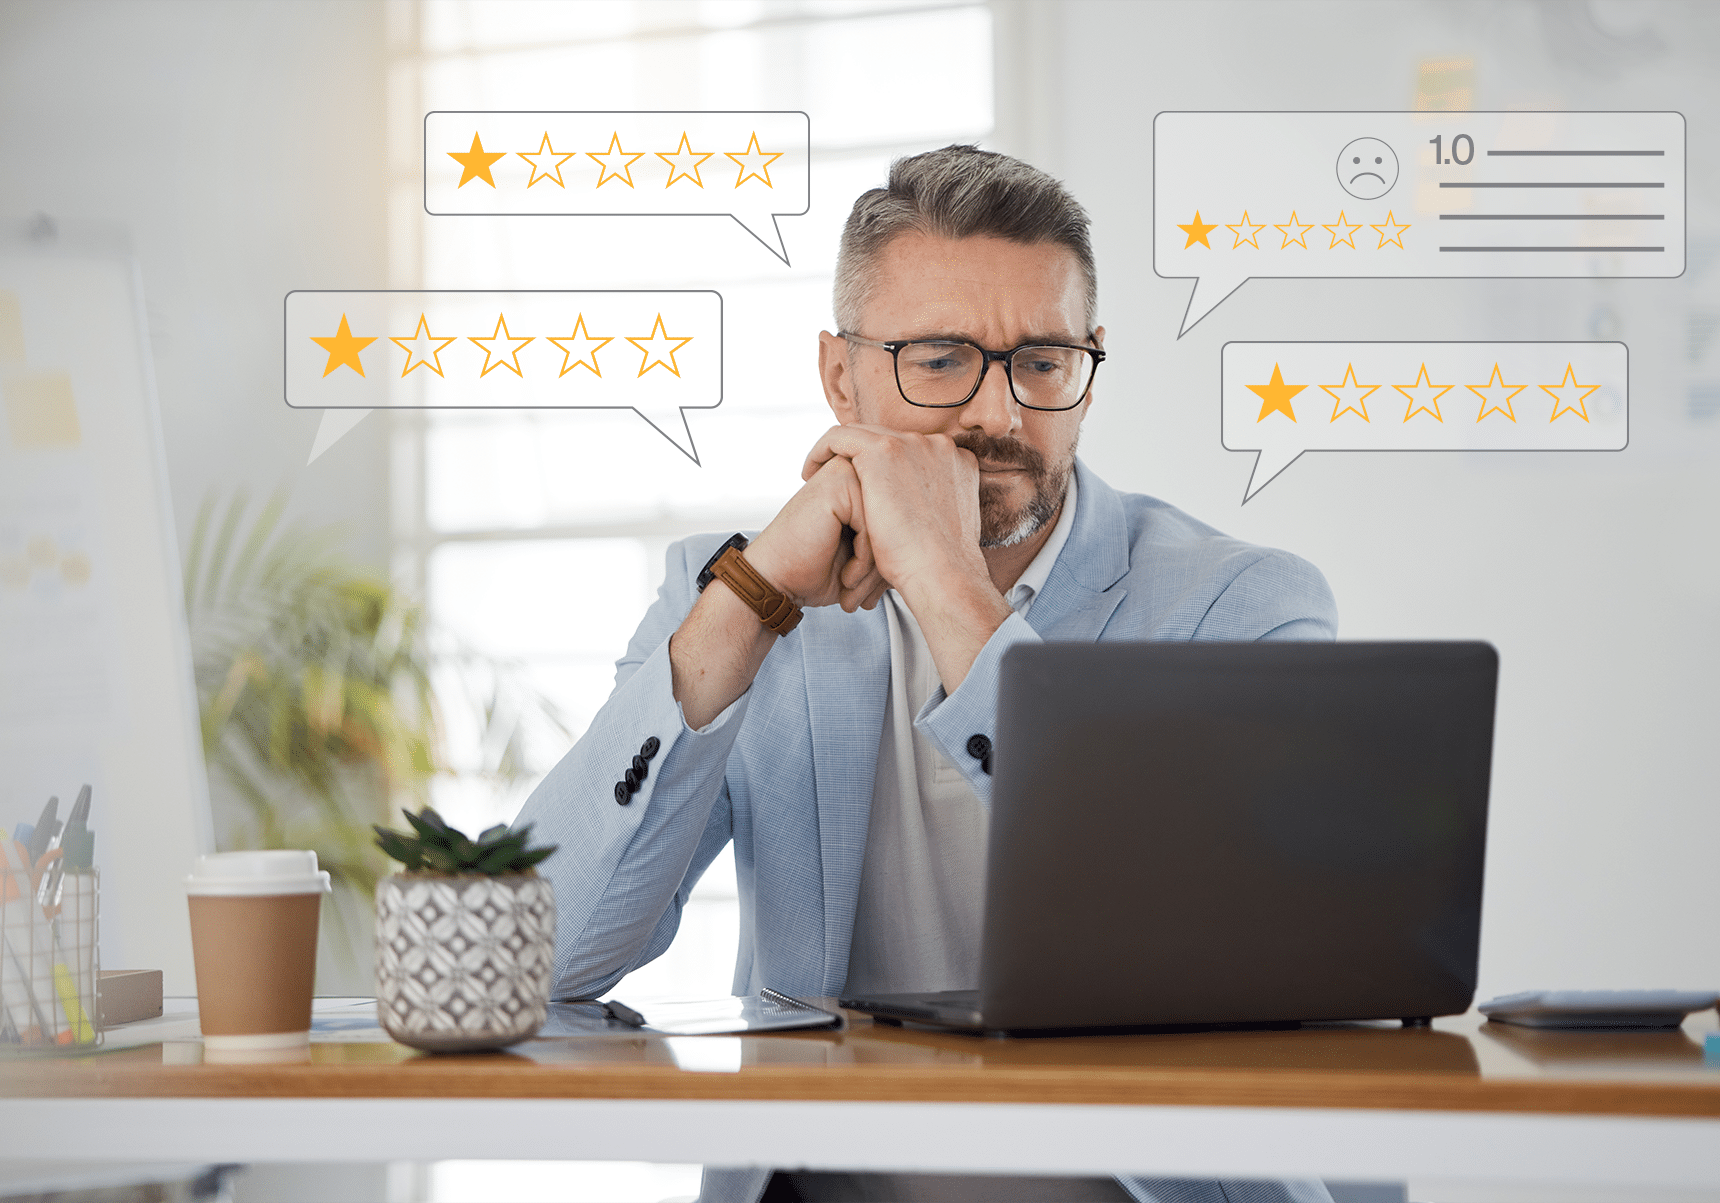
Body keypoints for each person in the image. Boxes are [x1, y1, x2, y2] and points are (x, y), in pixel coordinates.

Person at [515, 145, 1339, 1203]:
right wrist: (749, 601)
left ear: (1088, 366)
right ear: (838, 376)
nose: (997, 415)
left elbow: (1210, 958)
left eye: (1041, 361)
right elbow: (538, 965)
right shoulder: (731, 592)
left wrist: (953, 591)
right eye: (940, 359)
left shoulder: (1244, 606)